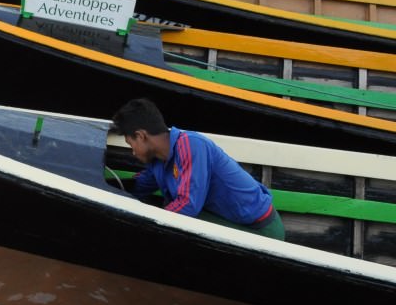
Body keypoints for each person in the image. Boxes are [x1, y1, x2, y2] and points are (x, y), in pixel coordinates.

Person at [111, 97, 285, 240]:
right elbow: (140, 186)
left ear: (141, 136)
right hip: (224, 218)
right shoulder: (157, 160)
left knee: (174, 218)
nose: (132, 152)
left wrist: (143, 228)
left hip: (262, 230)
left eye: (130, 143)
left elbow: (187, 206)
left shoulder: (190, 145)